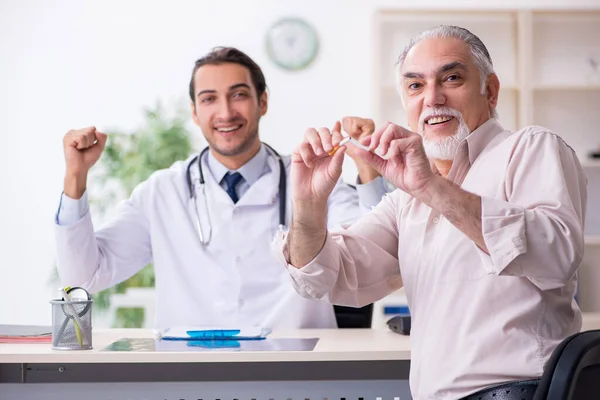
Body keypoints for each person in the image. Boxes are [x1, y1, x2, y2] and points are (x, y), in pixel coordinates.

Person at [277, 25, 587, 399]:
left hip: (523, 392)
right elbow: (327, 279)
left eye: (452, 78)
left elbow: (558, 257)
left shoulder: (530, 148)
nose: (433, 98)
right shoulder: (406, 199)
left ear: (490, 91)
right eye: (415, 86)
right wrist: (308, 206)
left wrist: (431, 188)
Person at [54, 47, 383, 330]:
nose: (225, 112)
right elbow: (84, 276)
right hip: (194, 373)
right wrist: (75, 177)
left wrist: (367, 164)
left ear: (262, 102)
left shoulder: (313, 177)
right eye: (209, 99)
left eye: (239, 95)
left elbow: (373, 254)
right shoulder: (161, 192)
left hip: (297, 370)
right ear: (195, 113)